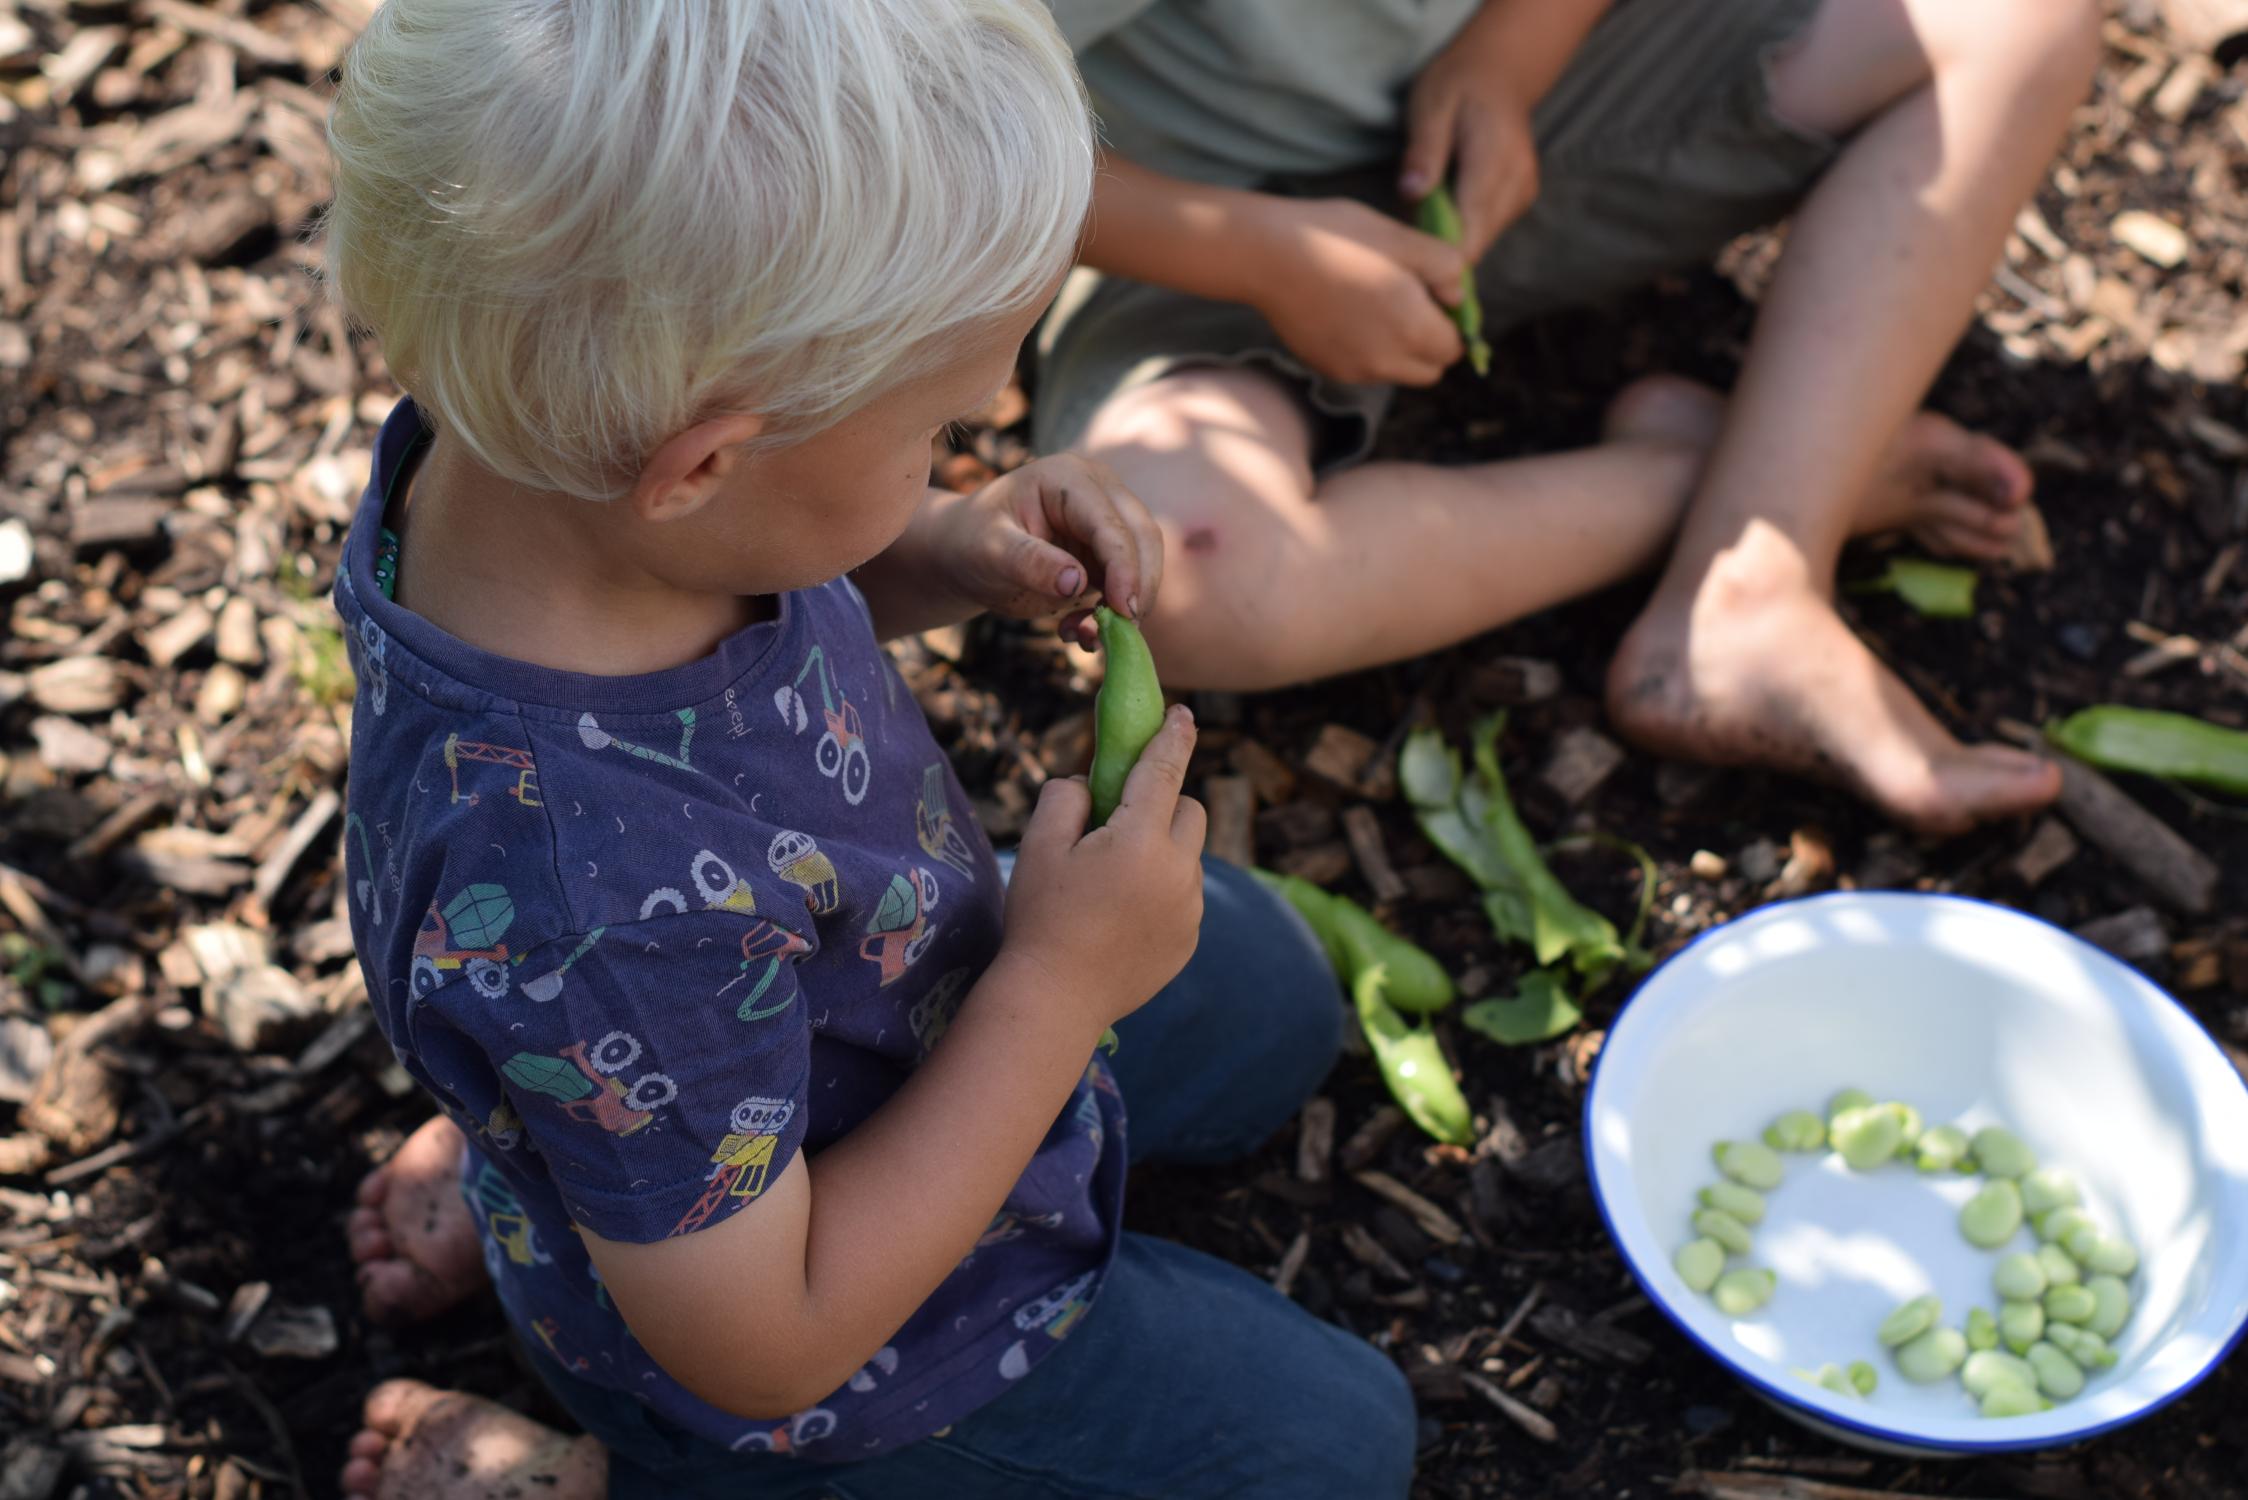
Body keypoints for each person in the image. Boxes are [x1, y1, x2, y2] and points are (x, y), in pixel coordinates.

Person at [322, 3, 1416, 1496]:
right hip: (824, 1357)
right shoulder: (592, 905)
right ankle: (605, 1458)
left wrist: (952, 545)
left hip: (832, 1020)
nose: (969, 439)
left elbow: (752, 564)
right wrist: (1056, 983)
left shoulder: (546, 467)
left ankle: (566, 1153)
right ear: (705, 463)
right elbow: (770, 1343)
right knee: (1338, 1449)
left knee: (1273, 999)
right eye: (935, 430)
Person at [1037, 0, 2100, 833]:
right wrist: (1258, 256)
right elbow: (929, 141)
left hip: (1511, 115)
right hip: (1169, 218)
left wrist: (1511, 56)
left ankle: (1753, 587)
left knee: (2013, 14)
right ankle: (1753, 483)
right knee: (1181, 572)